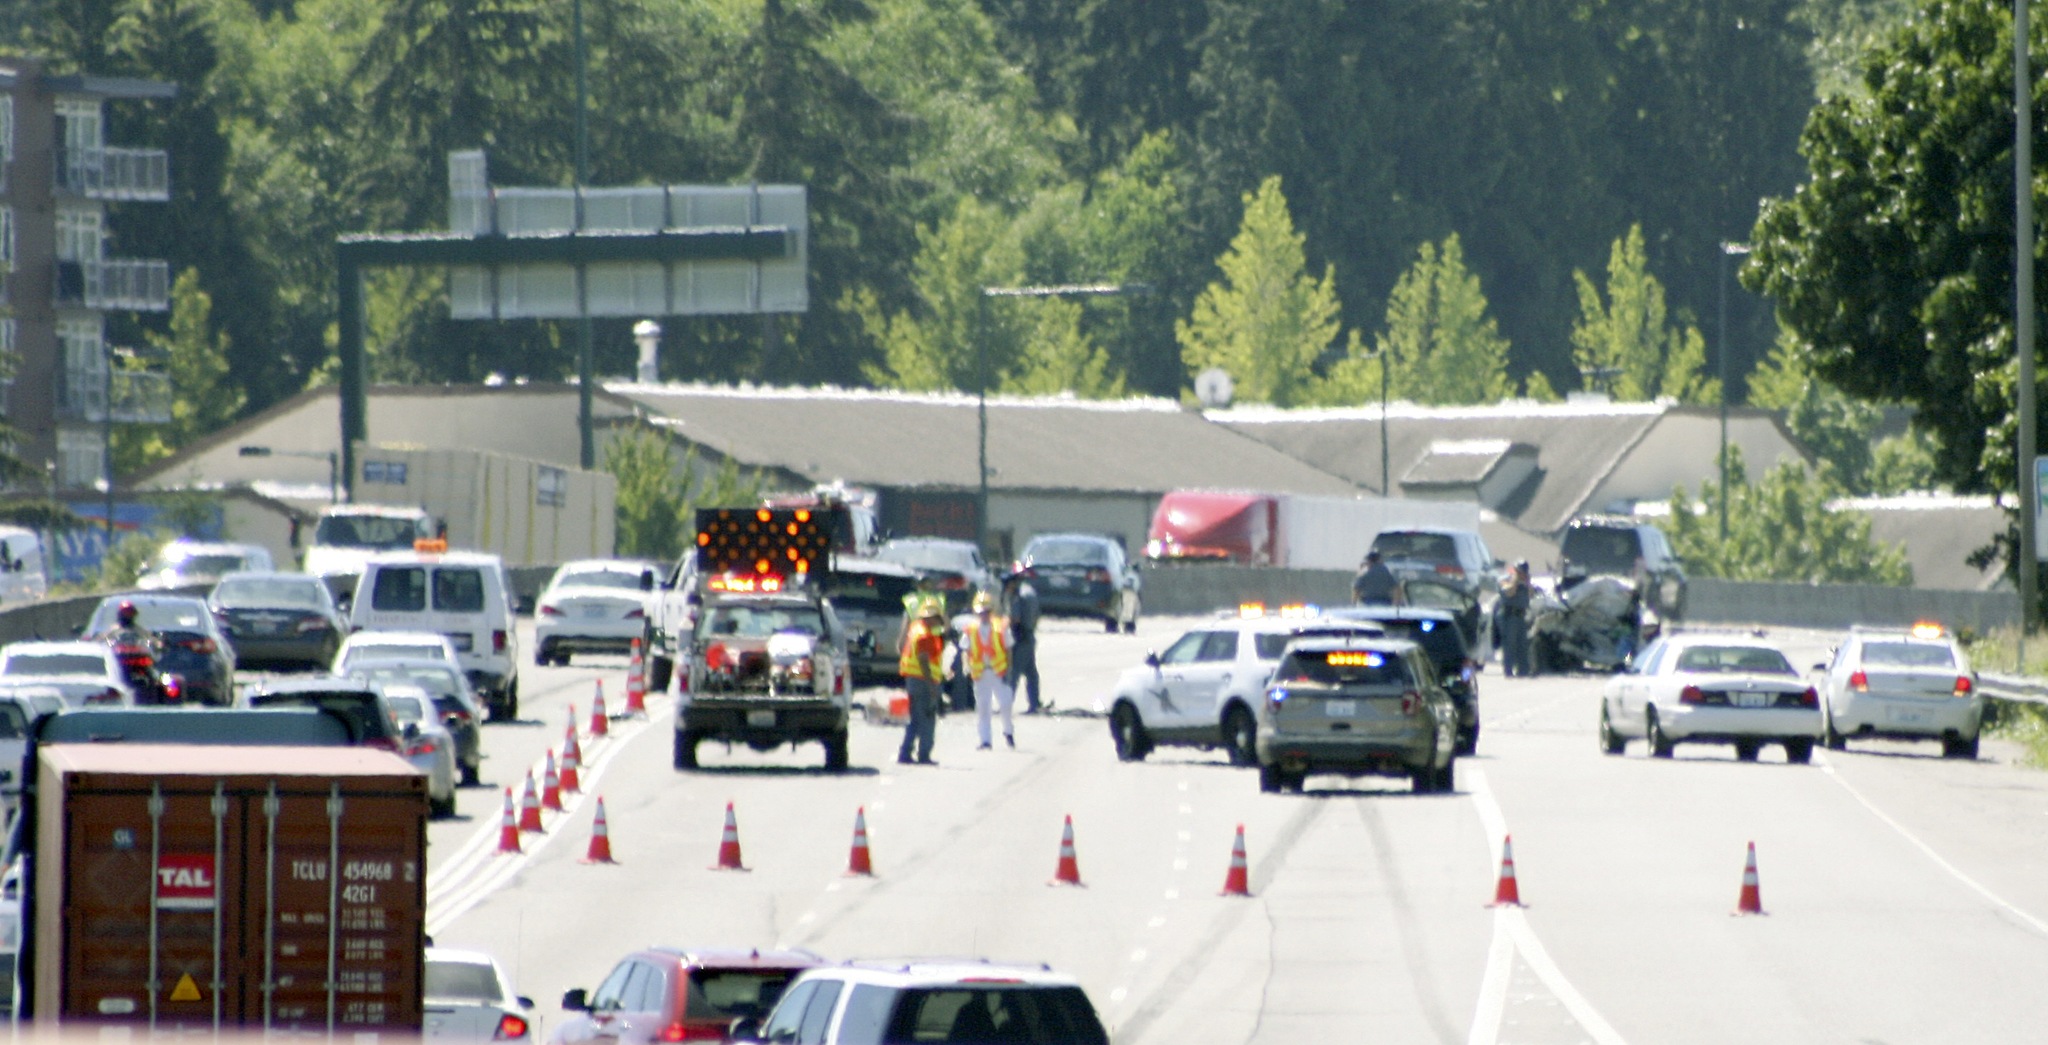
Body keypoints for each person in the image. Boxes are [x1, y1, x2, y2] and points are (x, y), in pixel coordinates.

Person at [896, 602, 946, 765]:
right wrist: (932, 686)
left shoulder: (916, 628)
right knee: (927, 719)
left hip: (913, 680)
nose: (939, 622)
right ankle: (923, 754)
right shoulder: (926, 635)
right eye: (937, 618)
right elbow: (924, 660)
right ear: (932, 619)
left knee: (915, 719)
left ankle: (905, 752)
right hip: (923, 682)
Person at [964, 591, 1015, 750]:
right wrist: (966, 667)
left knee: (1005, 704)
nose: (983, 615)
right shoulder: (971, 629)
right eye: (980, 612)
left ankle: (1008, 732)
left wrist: (1009, 669)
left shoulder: (1000, 627)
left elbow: (1008, 650)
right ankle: (985, 740)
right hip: (980, 673)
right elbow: (966, 650)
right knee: (983, 708)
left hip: (998, 671)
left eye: (986, 611)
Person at [1006, 571, 1044, 713]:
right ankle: (1034, 703)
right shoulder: (1030, 593)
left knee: (1014, 672)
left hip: (1021, 638)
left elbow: (1015, 618)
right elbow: (1037, 615)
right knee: (1031, 673)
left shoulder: (1018, 597)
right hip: (1030, 637)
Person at [1497, 561, 1533, 677]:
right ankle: (1508, 670)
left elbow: (1531, 595)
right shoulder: (1505, 580)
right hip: (1509, 616)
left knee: (1522, 645)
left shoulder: (1525, 583)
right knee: (1510, 644)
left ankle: (1523, 670)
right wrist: (1515, 579)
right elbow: (1510, 593)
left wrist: (1527, 583)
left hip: (1521, 616)